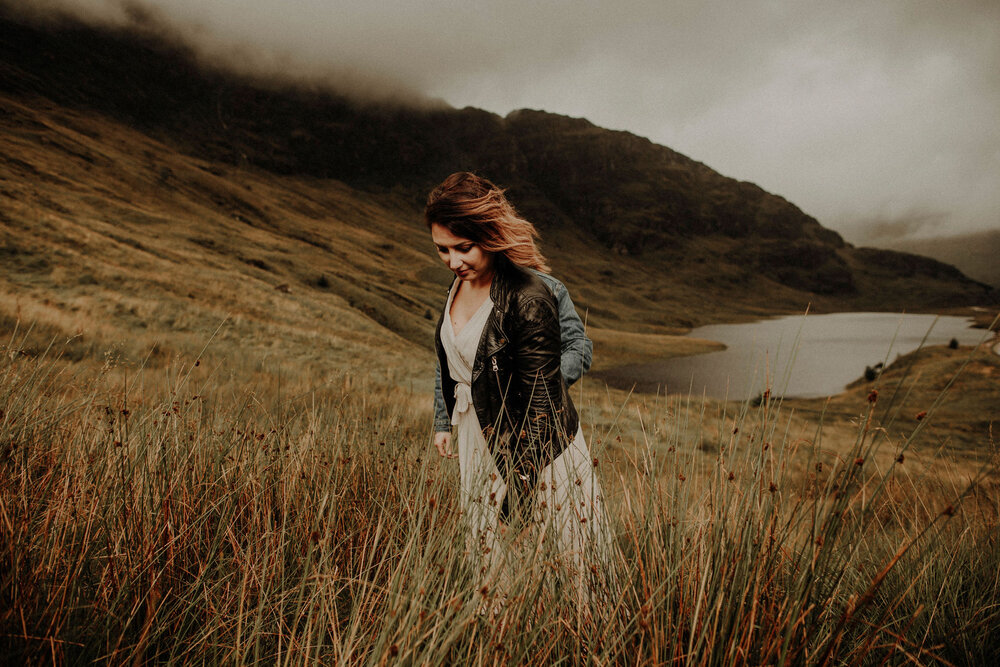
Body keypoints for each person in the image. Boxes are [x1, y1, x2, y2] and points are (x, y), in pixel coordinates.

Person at [427, 171, 604, 590]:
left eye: (463, 248)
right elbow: (451, 359)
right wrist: (443, 419)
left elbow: (580, 348)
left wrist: (530, 382)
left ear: (489, 234)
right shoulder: (456, 286)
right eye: (442, 250)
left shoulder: (540, 289)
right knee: (492, 551)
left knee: (563, 548)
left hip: (531, 430)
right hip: (476, 432)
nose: (453, 261)